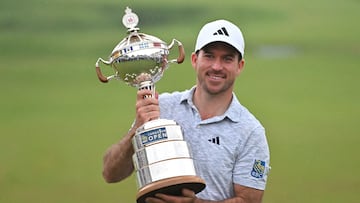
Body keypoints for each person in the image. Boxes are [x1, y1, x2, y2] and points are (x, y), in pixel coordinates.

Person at [102, 19, 271, 203]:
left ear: (240, 66)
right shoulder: (163, 106)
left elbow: (249, 200)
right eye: (209, 56)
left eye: (227, 58)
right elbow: (111, 173)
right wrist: (137, 129)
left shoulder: (250, 131)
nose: (216, 66)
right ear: (194, 60)